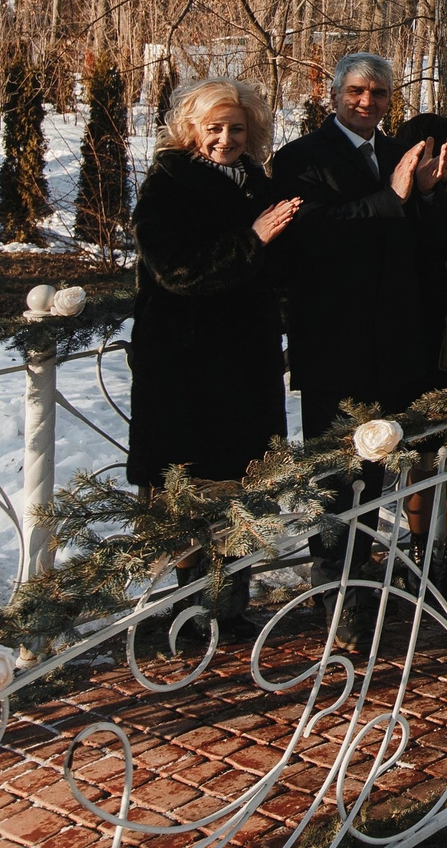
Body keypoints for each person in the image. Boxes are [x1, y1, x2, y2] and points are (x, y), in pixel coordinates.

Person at [271, 55, 447, 593]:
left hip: (396, 340)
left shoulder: (403, 153)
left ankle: (363, 578)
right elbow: (310, 236)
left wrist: (425, 193)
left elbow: (436, 241)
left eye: (378, 93)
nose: (366, 102)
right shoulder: (300, 158)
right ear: (333, 94)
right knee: (335, 473)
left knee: (375, 468)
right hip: (334, 343)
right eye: (355, 91)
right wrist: (391, 198)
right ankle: (335, 585)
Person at [128, 78, 298, 637]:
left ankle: (232, 605)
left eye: (237, 129)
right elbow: (175, 271)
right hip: (185, 361)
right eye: (214, 129)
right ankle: (189, 608)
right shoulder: (166, 185)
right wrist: (251, 240)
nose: (226, 139)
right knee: (188, 483)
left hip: (245, 360)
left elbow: (279, 267)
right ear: (191, 130)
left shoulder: (256, 182)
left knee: (244, 480)